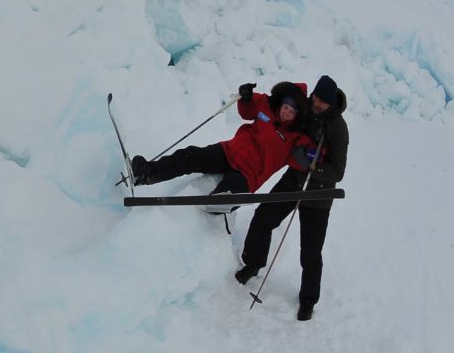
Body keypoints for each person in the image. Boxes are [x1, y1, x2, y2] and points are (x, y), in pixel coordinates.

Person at [235, 74, 350, 321]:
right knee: (263, 217)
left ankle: (308, 301)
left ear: (331, 103)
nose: (316, 103)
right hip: (294, 180)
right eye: (315, 98)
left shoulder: (338, 129)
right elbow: (280, 115)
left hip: (319, 194)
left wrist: (313, 166)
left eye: (321, 102)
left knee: (310, 251)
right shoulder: (306, 110)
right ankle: (253, 264)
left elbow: (337, 172)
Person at [130, 80, 315, 199]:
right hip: (229, 151)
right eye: (286, 107)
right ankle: (148, 172)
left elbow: (303, 161)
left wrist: (313, 153)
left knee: (227, 193)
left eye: (292, 111)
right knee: (190, 155)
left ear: (297, 115)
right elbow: (246, 111)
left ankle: (218, 207)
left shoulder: (296, 138)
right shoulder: (266, 106)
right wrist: (247, 97)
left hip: (248, 175)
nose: (286, 113)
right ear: (281, 103)